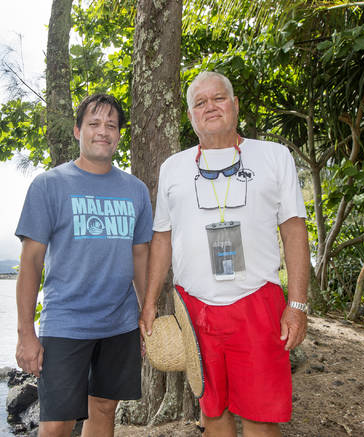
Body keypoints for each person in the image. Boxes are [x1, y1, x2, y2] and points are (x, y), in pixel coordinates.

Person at [139, 71, 310, 437]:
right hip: (195, 307)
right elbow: (162, 237)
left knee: (261, 417)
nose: (210, 107)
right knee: (213, 412)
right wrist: (150, 301)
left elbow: (294, 229)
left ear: (234, 105)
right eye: (200, 103)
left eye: (218, 98)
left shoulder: (274, 156)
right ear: (190, 117)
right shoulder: (173, 167)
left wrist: (297, 305)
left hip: (258, 305)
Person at [15, 93, 153, 437]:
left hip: (119, 324)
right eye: (94, 123)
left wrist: (144, 312)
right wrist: (25, 334)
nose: (102, 131)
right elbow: (31, 261)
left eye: (111, 125)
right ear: (78, 131)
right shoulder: (49, 185)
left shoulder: (136, 191)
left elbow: (140, 256)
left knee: (104, 409)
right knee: (57, 423)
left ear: (119, 134)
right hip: (66, 324)